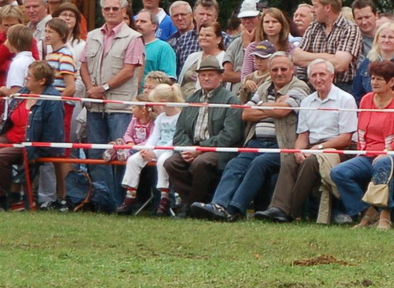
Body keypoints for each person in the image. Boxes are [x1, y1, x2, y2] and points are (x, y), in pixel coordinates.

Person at [193, 54, 310, 221]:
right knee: (235, 164)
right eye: (275, 69)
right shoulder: (264, 87)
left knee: (259, 163)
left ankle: (234, 210)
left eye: (283, 69)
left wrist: (261, 106)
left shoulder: (300, 87)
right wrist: (273, 105)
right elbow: (245, 113)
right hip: (255, 141)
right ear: (269, 71)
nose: (279, 73)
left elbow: (281, 111)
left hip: (282, 145)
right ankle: (218, 205)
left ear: (293, 70)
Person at [258, 59, 357, 222]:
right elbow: (303, 135)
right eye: (314, 75)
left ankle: (291, 211)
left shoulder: (345, 99)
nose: (318, 79)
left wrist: (318, 148)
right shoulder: (307, 102)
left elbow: (346, 138)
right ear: (309, 78)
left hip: (338, 149)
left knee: (310, 162)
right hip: (313, 147)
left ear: (332, 76)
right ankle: (278, 208)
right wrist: (298, 150)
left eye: (322, 74)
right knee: (289, 160)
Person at [329, 59, 394, 228]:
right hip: (368, 154)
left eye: (379, 79)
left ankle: (385, 215)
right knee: (339, 172)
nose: (374, 82)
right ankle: (368, 211)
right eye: (372, 78)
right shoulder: (366, 100)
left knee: (383, 163)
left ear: (392, 82)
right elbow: (361, 131)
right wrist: (362, 152)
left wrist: (388, 150)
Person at [79, 0, 146, 208]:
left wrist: (103, 87)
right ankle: (102, 200)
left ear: (124, 10)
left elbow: (129, 71)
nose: (110, 12)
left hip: (120, 106)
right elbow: (83, 66)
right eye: (106, 8)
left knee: (120, 155)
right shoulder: (92, 35)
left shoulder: (133, 37)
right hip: (95, 104)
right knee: (97, 153)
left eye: (115, 8)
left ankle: (120, 202)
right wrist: (91, 88)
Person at [162, 56, 243, 213]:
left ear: (220, 77)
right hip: (193, 148)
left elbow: (230, 135)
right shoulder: (192, 98)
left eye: (211, 75)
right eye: (203, 75)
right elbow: (180, 131)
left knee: (201, 163)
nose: (206, 78)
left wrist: (202, 148)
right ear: (198, 77)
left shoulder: (230, 99)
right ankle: (200, 200)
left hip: (219, 150)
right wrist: (187, 149)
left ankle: (191, 207)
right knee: (170, 163)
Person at [0, 61, 55, 210]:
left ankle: (2, 197)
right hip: (12, 134)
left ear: (41, 81)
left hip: (29, 142)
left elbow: (53, 130)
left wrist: (43, 147)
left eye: (29, 77)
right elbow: (12, 102)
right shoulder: (24, 92)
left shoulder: (51, 99)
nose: (25, 79)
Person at [113, 85, 182, 216]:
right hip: (156, 148)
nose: (151, 108)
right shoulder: (161, 118)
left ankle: (164, 197)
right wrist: (146, 150)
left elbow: (175, 139)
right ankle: (130, 194)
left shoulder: (180, 117)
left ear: (162, 103)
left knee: (162, 161)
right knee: (133, 159)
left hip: (169, 150)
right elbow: (154, 136)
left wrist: (155, 153)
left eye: (153, 104)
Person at [292, 0, 362, 86]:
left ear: (328, 8)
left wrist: (310, 58)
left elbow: (340, 65)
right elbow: (296, 58)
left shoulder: (349, 29)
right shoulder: (313, 26)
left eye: (315, 6)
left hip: (342, 86)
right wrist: (329, 57)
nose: (312, 10)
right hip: (314, 85)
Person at [352, 20, 394, 102]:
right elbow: (357, 93)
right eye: (383, 37)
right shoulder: (366, 62)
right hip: (370, 110)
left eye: (391, 37)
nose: (386, 40)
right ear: (377, 39)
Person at [178, 23, 227, 97]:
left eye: (208, 35)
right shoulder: (192, 57)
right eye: (201, 35)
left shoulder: (225, 58)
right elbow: (181, 81)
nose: (203, 38)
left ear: (218, 39)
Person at [135, 10, 177, 79]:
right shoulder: (130, 45)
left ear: (154, 26)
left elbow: (169, 78)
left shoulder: (163, 48)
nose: (138, 24)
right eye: (136, 21)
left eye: (143, 21)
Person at [166, 0, 199, 68]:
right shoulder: (170, 42)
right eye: (175, 16)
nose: (180, 18)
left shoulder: (202, 37)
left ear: (192, 16)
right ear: (171, 19)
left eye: (183, 14)